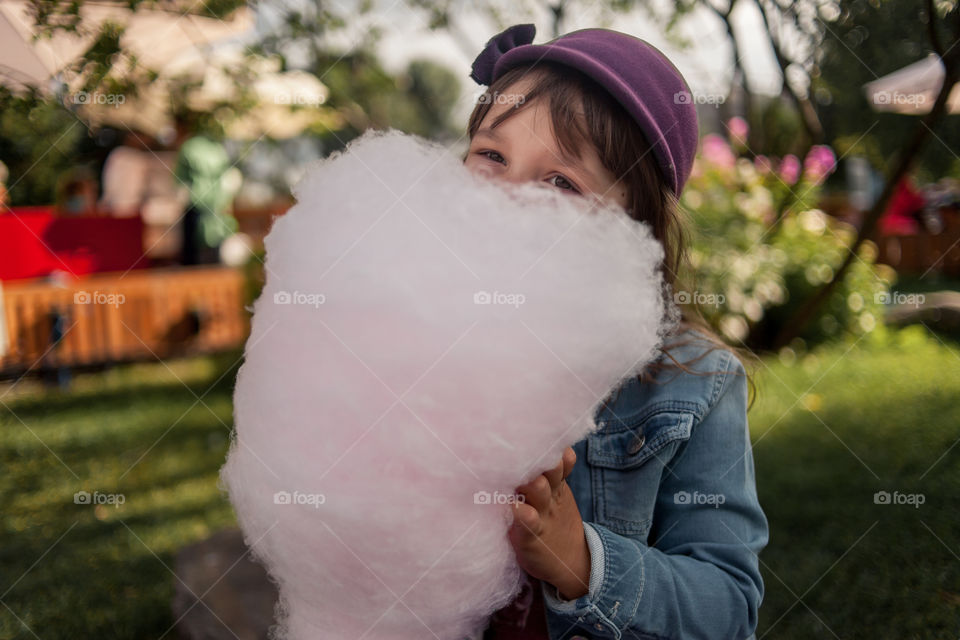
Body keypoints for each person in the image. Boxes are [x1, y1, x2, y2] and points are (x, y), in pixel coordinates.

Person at [462, 24, 768, 640]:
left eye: (561, 182)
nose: (509, 198)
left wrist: (580, 561)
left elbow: (728, 607)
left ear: (632, 232)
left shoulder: (694, 382)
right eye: (492, 156)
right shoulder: (411, 330)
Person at [172, 112, 238, 265]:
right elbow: (227, 175)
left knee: (192, 249)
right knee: (215, 244)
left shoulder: (188, 146)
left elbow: (178, 179)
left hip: (195, 202)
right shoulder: (216, 147)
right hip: (217, 202)